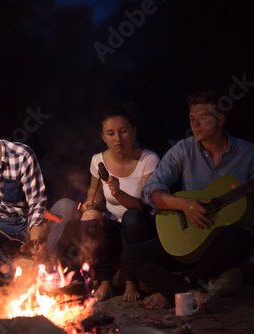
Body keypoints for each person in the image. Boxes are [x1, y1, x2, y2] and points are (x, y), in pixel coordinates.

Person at [121, 90, 254, 310]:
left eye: (203, 117)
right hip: (189, 239)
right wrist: (185, 204)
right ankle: (190, 291)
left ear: (221, 120)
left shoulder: (248, 153)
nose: (195, 124)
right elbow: (150, 190)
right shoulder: (183, 149)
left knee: (240, 239)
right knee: (130, 256)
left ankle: (176, 290)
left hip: (222, 246)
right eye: (192, 119)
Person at [0, 99, 80, 278]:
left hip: (26, 225)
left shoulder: (22, 154)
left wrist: (37, 240)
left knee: (67, 206)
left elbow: (36, 203)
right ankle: (10, 273)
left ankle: (44, 269)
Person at [80, 105, 160, 302]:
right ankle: (105, 281)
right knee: (89, 217)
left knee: (132, 216)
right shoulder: (98, 160)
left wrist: (118, 192)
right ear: (103, 136)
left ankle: (132, 282)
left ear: (133, 131)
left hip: (142, 227)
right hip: (115, 227)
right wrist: (90, 202)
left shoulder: (148, 159)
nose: (118, 138)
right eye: (111, 133)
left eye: (123, 131)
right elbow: (95, 191)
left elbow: (144, 206)